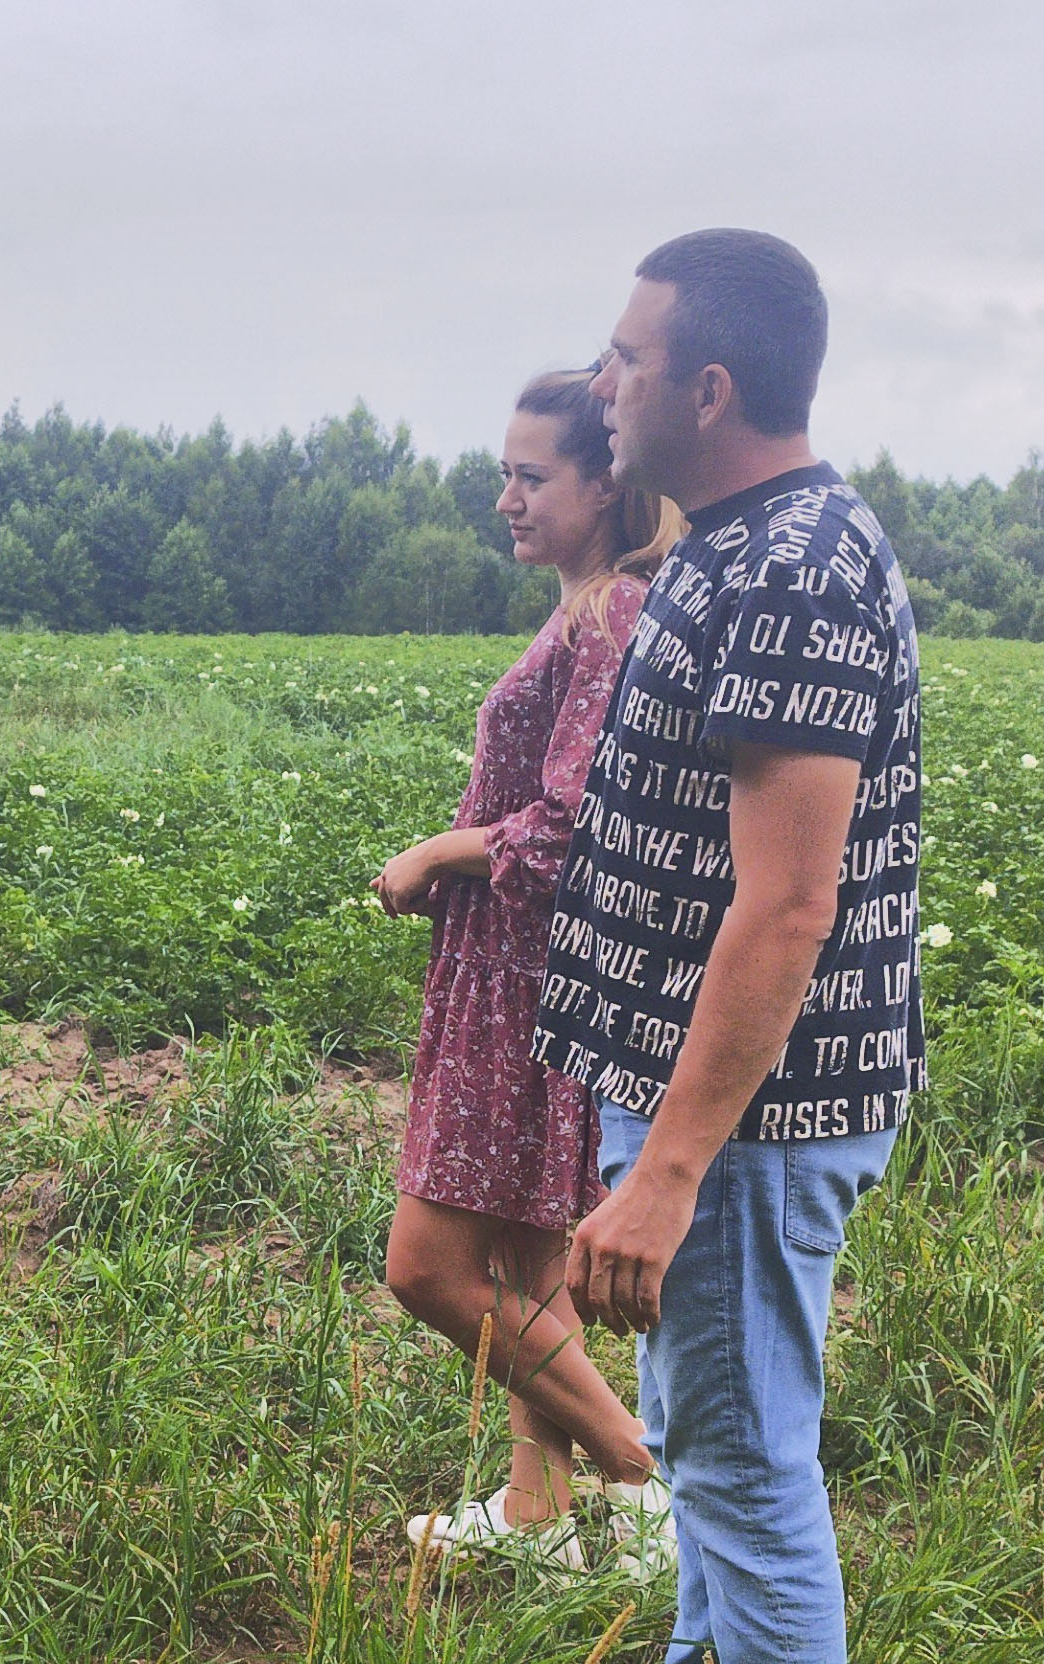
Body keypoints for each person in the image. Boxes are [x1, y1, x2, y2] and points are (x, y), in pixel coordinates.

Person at [541, 229, 922, 1664]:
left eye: (624, 360)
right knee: (710, 1452)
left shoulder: (798, 569)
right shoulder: (734, 547)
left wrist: (674, 1171)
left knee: (749, 1473)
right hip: (707, 1102)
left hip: (747, 1124)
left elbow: (786, 906)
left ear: (706, 391)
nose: (600, 382)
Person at [375, 370, 685, 1575]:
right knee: (520, 1261)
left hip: (530, 979)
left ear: (605, 483)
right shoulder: (579, 609)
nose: (503, 496)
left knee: (431, 1266)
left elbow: (562, 832)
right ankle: (536, 1513)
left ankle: (639, 1472)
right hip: (511, 971)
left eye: (530, 474)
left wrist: (434, 852)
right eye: (501, 471)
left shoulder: (608, 614)